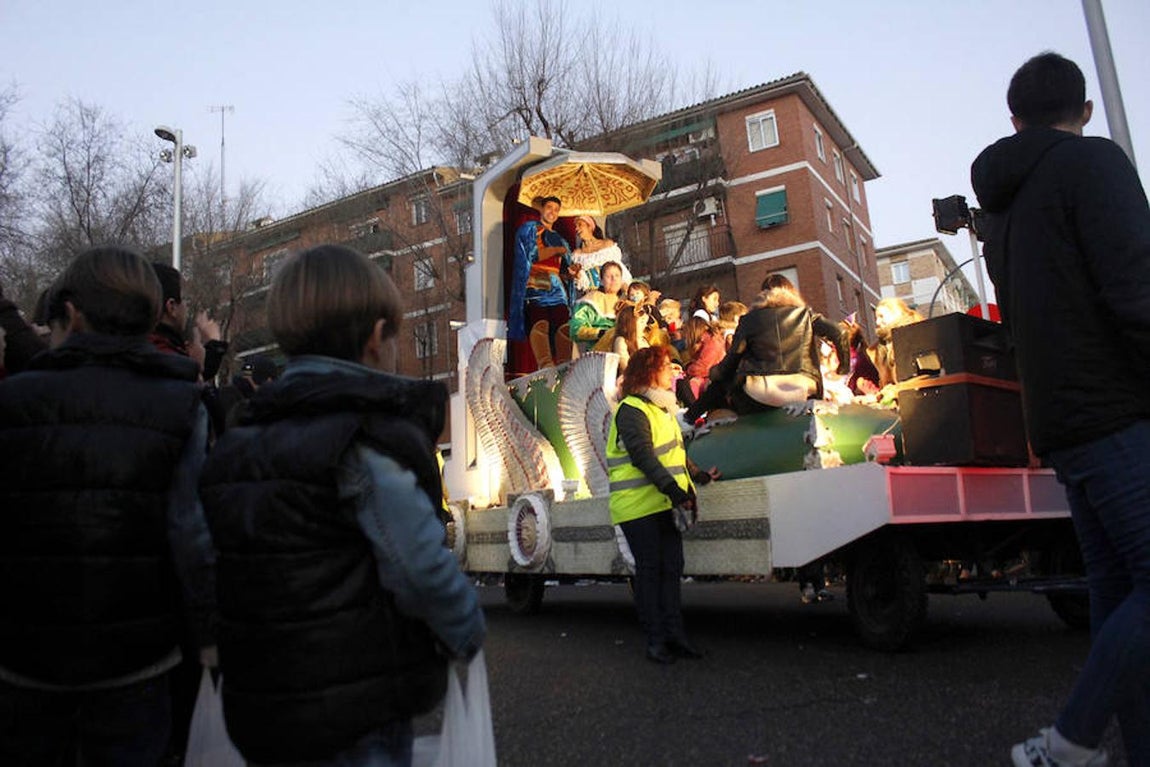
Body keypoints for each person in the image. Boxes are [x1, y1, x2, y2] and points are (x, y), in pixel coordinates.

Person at [198, 244, 486, 766]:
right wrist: (465, 628)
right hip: (356, 708)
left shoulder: (243, 438)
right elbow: (417, 565)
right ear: (377, 338)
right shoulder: (361, 437)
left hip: (261, 702)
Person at [972, 51, 1150, 767]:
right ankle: (1072, 740)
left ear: (1014, 121)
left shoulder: (1002, 213)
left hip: (1062, 424)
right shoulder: (1093, 165)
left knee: (1118, 599)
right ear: (1083, 111)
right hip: (1119, 411)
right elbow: (1137, 291)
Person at [0, 246, 216, 765]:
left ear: (71, 314)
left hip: (25, 660)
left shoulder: (14, 400)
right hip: (139, 661)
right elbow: (191, 533)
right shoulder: (182, 403)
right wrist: (209, 633)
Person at [606, 345, 718, 664]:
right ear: (649, 372)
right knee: (651, 570)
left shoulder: (662, 410)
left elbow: (675, 453)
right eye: (667, 367)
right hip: (637, 506)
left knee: (671, 569)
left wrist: (699, 476)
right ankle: (656, 640)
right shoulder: (631, 409)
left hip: (662, 502)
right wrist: (674, 490)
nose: (673, 373)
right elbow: (643, 456)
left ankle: (675, 636)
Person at [685, 282, 850, 421]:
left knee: (721, 383)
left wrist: (714, 373)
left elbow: (731, 360)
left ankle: (689, 419)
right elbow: (839, 332)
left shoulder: (749, 320)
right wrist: (843, 368)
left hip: (759, 397)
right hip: (804, 393)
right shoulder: (806, 315)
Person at [508, 196, 575, 370]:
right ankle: (545, 366)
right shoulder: (531, 229)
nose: (552, 212)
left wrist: (572, 272)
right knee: (540, 323)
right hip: (536, 283)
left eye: (556, 209)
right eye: (549, 207)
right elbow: (534, 255)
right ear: (542, 209)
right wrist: (557, 250)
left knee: (563, 326)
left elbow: (565, 269)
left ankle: (564, 366)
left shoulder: (561, 239)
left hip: (557, 286)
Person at [568, 260, 625, 352]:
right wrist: (600, 333)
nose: (613, 279)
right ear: (601, 280)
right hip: (600, 352)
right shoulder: (591, 301)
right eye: (608, 276)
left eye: (617, 276)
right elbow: (575, 330)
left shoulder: (627, 300)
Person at [571, 214, 631, 295]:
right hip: (592, 295)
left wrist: (626, 290)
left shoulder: (607, 245)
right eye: (575, 226)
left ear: (590, 227)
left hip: (612, 292)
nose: (576, 228)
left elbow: (619, 268)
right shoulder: (577, 254)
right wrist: (577, 274)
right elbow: (581, 282)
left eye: (580, 225)